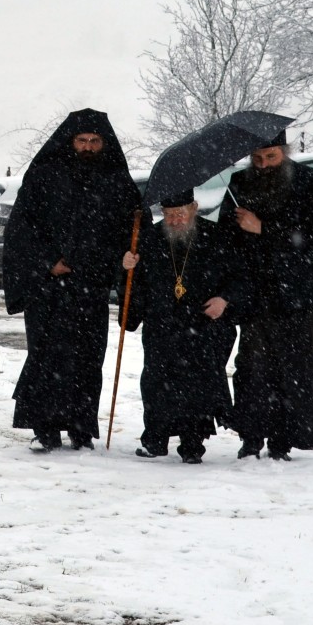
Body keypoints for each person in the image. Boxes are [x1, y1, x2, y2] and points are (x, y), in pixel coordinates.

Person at [3, 108, 140, 452]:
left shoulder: (117, 181)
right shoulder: (44, 176)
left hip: (91, 286)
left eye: (95, 141)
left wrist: (125, 256)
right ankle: (45, 428)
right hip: (49, 287)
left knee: (87, 359)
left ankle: (81, 427)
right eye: (82, 140)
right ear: (70, 141)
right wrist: (48, 263)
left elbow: (129, 232)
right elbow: (21, 229)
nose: (88, 147)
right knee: (47, 357)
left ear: (104, 143)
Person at [215, 131, 313, 461]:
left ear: (284, 152)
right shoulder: (239, 183)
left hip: (297, 293)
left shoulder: (309, 182)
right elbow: (226, 239)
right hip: (256, 292)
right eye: (257, 159)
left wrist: (263, 228)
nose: (264, 164)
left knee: (293, 371)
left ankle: (283, 439)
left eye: (271, 157)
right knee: (252, 369)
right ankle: (251, 436)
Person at [121, 189, 248, 464]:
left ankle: (192, 445)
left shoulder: (216, 236)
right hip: (162, 324)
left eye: (180, 214)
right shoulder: (149, 238)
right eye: (169, 215)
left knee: (197, 387)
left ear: (194, 208)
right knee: (156, 383)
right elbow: (135, 285)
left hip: (201, 325)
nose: (175, 221)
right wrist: (127, 266)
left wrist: (224, 300)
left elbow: (240, 275)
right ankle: (155, 440)